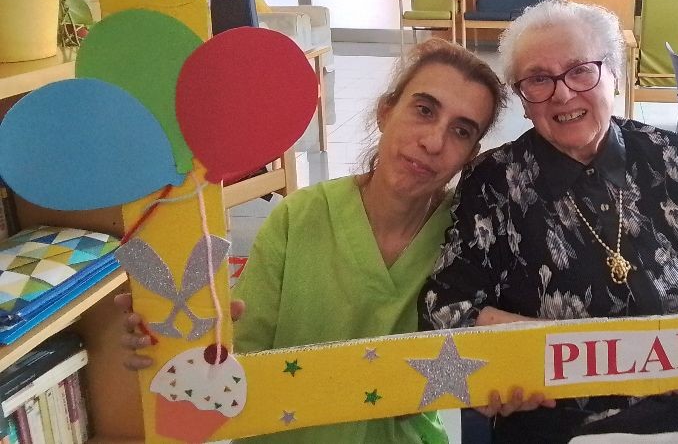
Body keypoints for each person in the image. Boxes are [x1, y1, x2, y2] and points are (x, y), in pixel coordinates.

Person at [419, 0, 678, 443]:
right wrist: (567, 351)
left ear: (615, 75)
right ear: (523, 101)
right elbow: (446, 309)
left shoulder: (673, 157)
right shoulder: (494, 182)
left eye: (581, 71)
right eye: (538, 79)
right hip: (574, 425)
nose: (562, 94)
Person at [118, 38, 508, 444]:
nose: (433, 142)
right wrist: (176, 340)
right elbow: (239, 360)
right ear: (385, 112)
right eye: (424, 110)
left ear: (471, 154)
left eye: (461, 131)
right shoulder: (299, 218)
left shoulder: (469, 239)